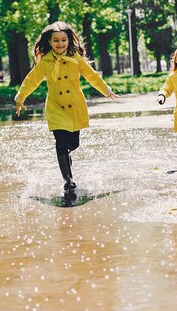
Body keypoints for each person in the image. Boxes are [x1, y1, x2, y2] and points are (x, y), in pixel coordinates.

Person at [15, 21, 120, 191]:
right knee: (60, 143)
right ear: (49, 42)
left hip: (75, 106)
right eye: (56, 40)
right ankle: (68, 180)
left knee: (73, 144)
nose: (60, 43)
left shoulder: (75, 59)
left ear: (69, 41)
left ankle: (67, 157)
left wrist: (107, 91)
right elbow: (31, 80)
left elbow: (91, 76)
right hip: (55, 106)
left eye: (63, 40)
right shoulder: (45, 62)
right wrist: (20, 98)